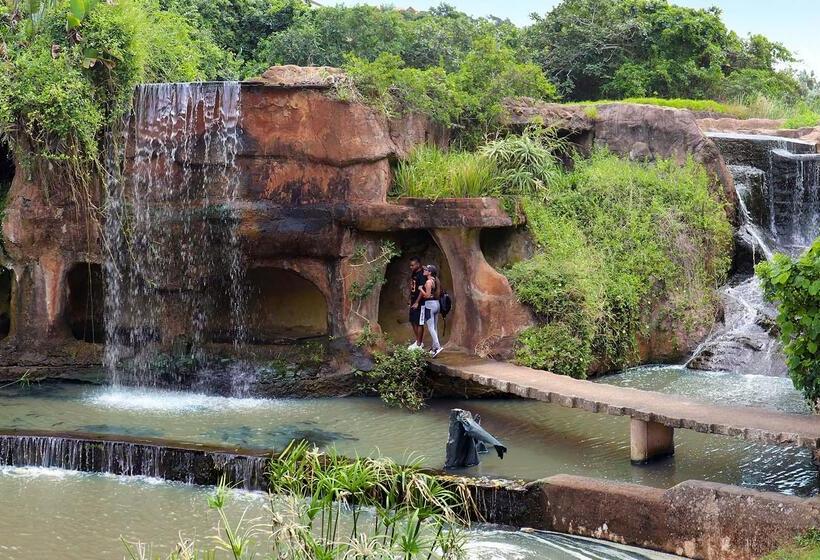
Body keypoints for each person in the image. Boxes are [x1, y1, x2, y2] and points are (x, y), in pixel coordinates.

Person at [420, 264, 443, 357]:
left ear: (430, 272)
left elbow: (427, 295)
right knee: (434, 327)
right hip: (437, 304)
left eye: (426, 270)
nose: (424, 271)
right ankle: (434, 348)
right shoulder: (436, 280)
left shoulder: (428, 282)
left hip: (429, 305)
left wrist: (421, 289)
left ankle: (437, 346)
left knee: (430, 327)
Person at [407, 256, 426, 350]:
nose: (411, 267)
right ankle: (418, 341)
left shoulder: (422, 274)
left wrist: (417, 302)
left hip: (420, 302)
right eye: (410, 265)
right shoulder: (414, 273)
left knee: (419, 322)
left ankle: (419, 344)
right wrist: (410, 298)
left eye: (412, 265)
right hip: (414, 300)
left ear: (418, 264)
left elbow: (422, 290)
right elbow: (412, 287)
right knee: (412, 320)